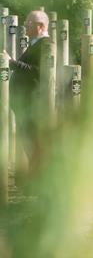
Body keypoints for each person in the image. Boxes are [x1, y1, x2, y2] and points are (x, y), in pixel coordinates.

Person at [5, 10, 50, 179]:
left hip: (33, 103)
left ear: (41, 26)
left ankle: (39, 181)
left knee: (34, 144)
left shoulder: (46, 45)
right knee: (29, 143)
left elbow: (39, 72)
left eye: (28, 24)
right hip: (25, 103)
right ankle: (34, 179)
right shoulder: (34, 44)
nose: (25, 27)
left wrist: (11, 63)